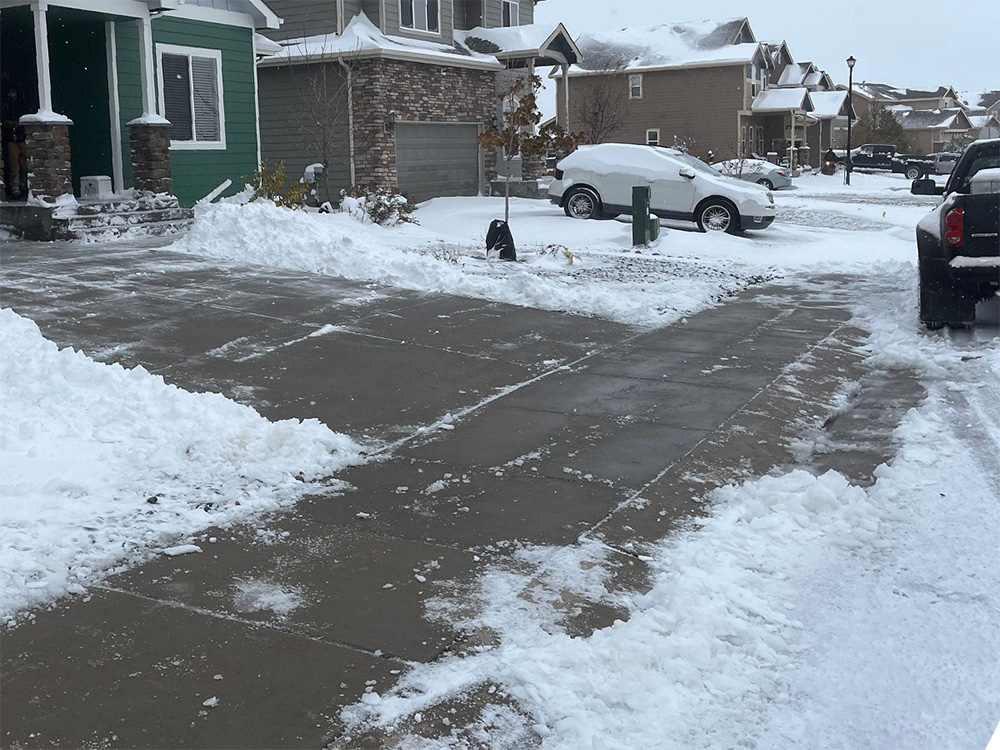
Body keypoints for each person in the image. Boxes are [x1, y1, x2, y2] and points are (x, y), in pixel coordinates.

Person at [2, 86, 29, 199]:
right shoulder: (5, 106)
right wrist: (9, 124)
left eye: (13, 92)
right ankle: (15, 189)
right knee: (14, 166)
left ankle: (23, 186)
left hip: (23, 138)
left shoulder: (22, 105)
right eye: (10, 92)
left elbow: (26, 118)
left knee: (24, 165)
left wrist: (19, 124)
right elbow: (3, 120)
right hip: (11, 140)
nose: (12, 95)